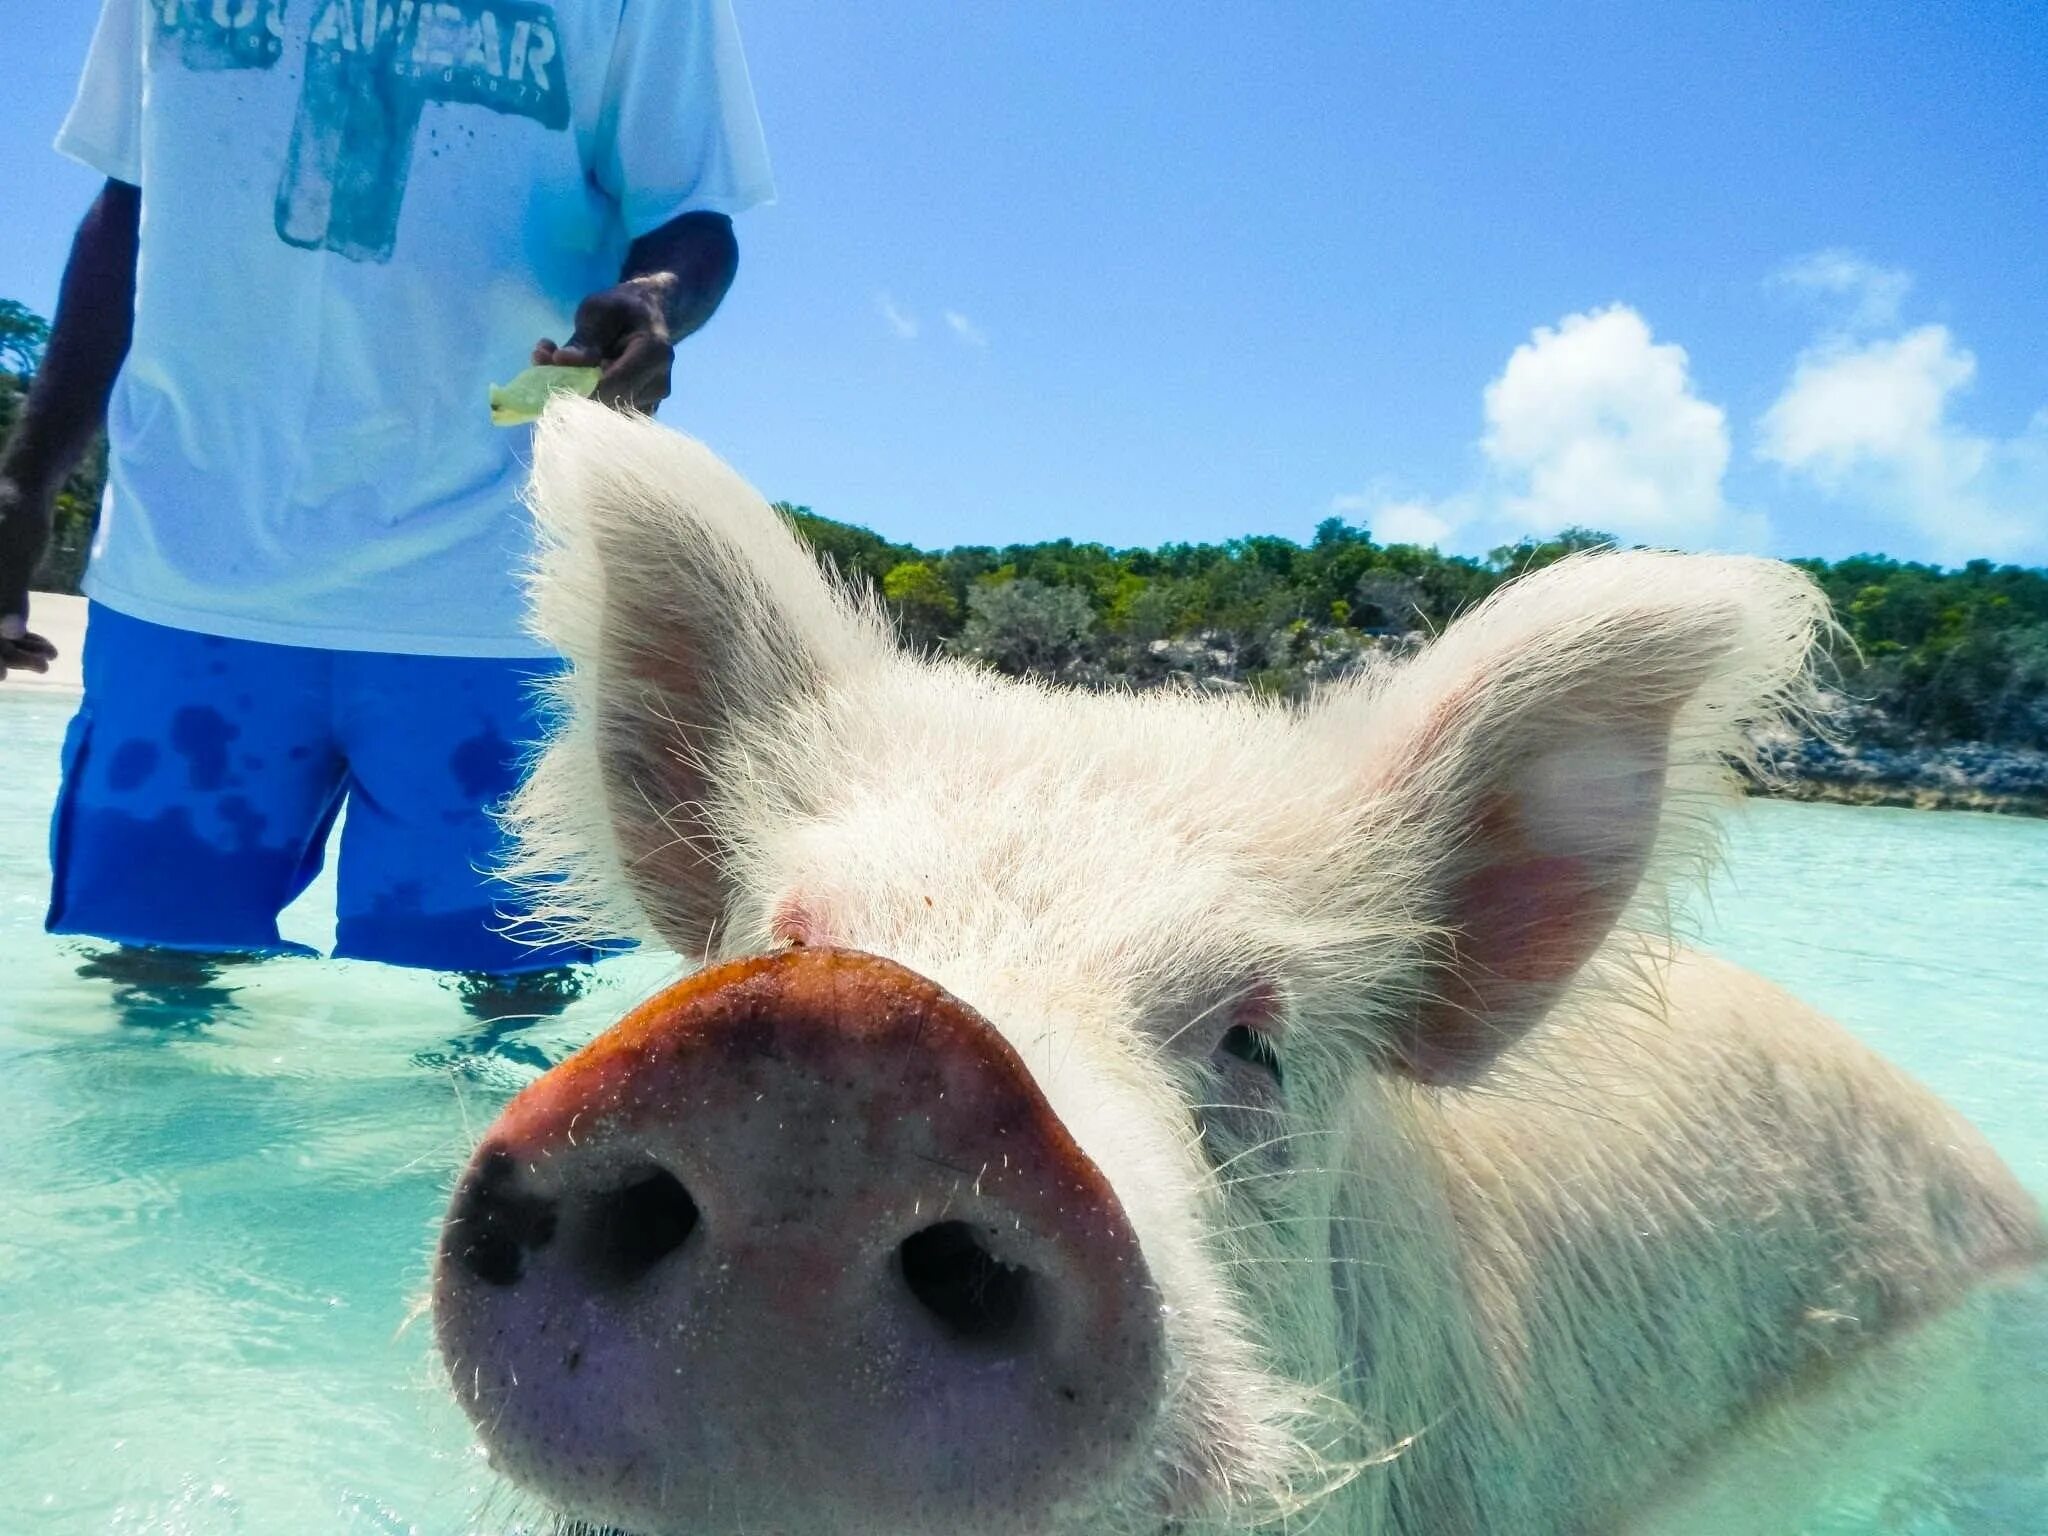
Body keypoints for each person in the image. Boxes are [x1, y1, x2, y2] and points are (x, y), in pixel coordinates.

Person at [0, 0, 774, 1020]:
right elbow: (131, 199)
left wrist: (656, 298)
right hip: (187, 567)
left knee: (503, 1020)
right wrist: (28, 476)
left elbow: (691, 212)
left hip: (497, 588)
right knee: (149, 996)